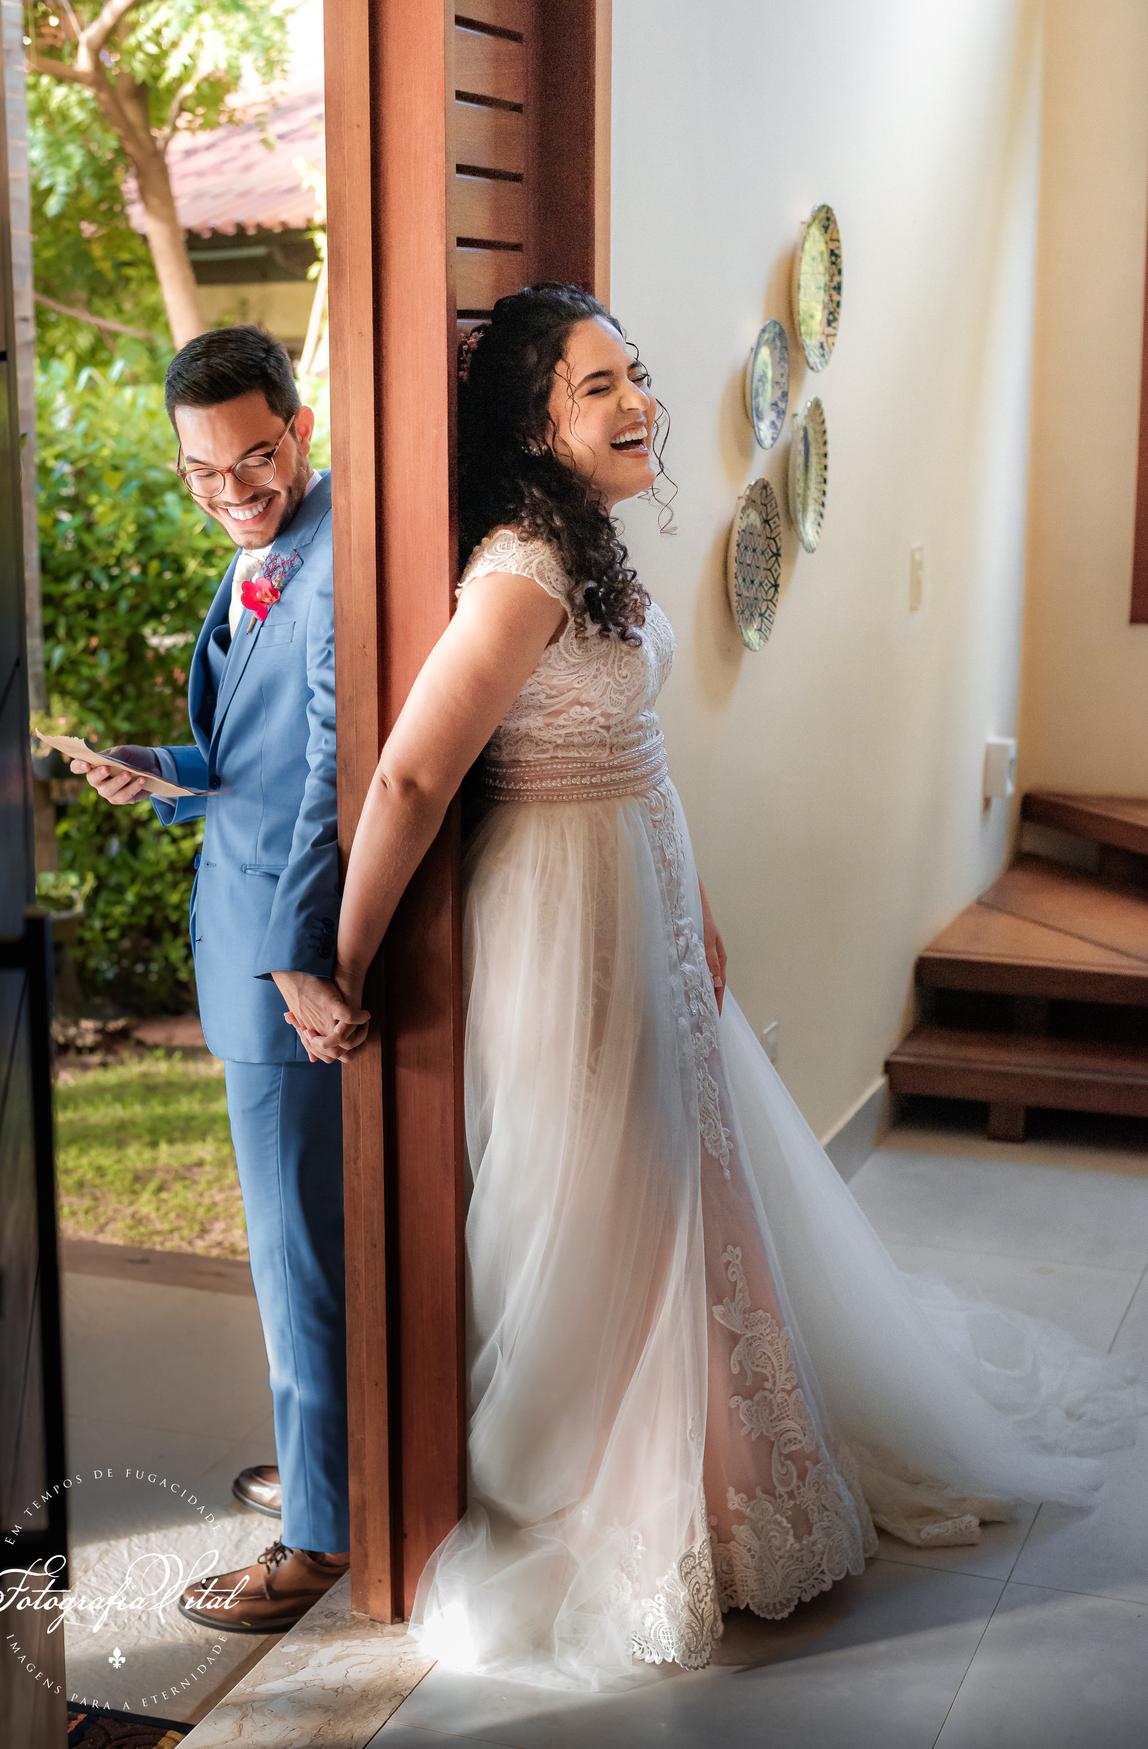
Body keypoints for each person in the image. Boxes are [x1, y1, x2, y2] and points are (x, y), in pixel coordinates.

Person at [304, 284, 1142, 1689]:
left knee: (682, 1188)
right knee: (594, 1194)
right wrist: (344, 952)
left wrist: (693, 905)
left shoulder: (593, 545)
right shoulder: (521, 566)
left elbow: (640, 750)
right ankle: (617, 1490)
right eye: (594, 386)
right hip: (561, 916)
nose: (637, 402)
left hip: (638, 887)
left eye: (633, 374)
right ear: (529, 420)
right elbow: (411, 771)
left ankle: (722, 1465)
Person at [73, 325, 366, 1632]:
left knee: (292, 1254)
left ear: (296, 426)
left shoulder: (331, 565)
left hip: (279, 968)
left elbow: (325, 775)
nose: (233, 491)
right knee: (302, 1243)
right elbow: (240, 755)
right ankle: (326, 1466)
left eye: (254, 458)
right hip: (250, 942)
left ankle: (316, 1534)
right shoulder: (265, 557)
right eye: (204, 471)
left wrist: (299, 956)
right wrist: (160, 764)